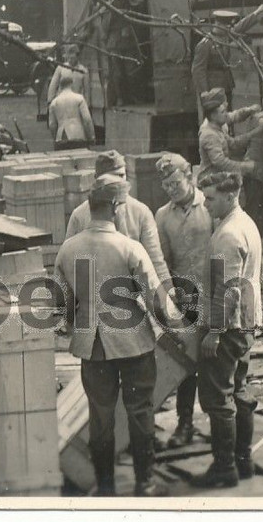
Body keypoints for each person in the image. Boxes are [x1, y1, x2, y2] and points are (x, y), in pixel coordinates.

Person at [52, 173, 172, 497]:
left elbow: (61, 302)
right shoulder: (129, 248)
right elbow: (156, 299)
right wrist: (173, 327)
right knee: (140, 410)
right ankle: (144, 483)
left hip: (92, 346)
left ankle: (105, 487)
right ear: (117, 208)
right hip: (134, 343)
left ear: (91, 209)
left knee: (100, 416)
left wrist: (71, 325)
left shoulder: (68, 249)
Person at [189, 170, 262, 489]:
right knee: (239, 391)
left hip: (228, 327)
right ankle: (244, 462)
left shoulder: (229, 235)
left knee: (218, 399)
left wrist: (214, 332)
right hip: (245, 323)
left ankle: (224, 469)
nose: (205, 204)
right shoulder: (244, 223)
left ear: (231, 196)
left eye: (210, 198)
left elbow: (229, 289)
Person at [153, 152, 214, 450]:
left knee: (220, 361)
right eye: (165, 185)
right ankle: (185, 423)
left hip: (215, 295)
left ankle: (222, 422)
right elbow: (161, 259)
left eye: (175, 182)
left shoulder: (211, 205)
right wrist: (170, 299)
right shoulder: (162, 216)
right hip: (185, 299)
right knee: (188, 363)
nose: (171, 189)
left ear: (189, 175)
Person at [66, 151, 173, 289]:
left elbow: (156, 261)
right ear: (97, 180)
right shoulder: (79, 216)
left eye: (122, 175)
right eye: (113, 179)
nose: (120, 182)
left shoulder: (141, 212)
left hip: (134, 296)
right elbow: (68, 263)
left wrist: (170, 295)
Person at [190, 6, 263, 116]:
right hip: (213, 90)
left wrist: (256, 13)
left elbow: (240, 27)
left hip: (226, 86)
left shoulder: (225, 36)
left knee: (227, 117)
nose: (229, 29)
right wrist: (205, 92)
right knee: (215, 118)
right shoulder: (205, 43)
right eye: (227, 26)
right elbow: (198, 69)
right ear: (218, 24)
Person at [197, 88, 263, 178]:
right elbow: (221, 163)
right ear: (213, 115)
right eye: (223, 110)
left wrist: (249, 112)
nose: (226, 113)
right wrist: (246, 167)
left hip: (219, 173)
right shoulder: (209, 134)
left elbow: (233, 143)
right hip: (210, 178)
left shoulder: (217, 122)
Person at [241, 99, 263, 238]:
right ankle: (249, 236)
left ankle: (261, 235)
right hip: (254, 169)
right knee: (253, 205)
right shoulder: (258, 118)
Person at [48, 74, 95, 150]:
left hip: (62, 137)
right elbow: (87, 120)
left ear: (60, 86)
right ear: (71, 84)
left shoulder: (54, 102)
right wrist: (91, 137)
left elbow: (52, 125)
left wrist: (55, 139)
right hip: (79, 136)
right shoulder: (79, 98)